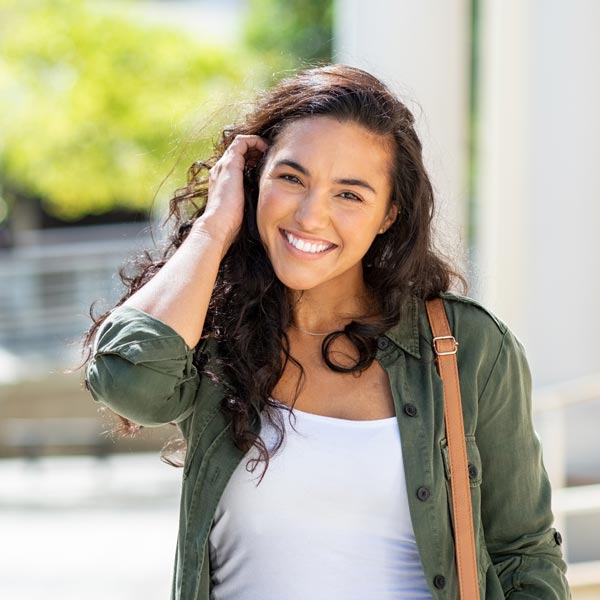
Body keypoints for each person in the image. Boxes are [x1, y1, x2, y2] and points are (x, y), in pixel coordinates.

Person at [83, 65, 570, 599]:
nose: (311, 216)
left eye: (350, 195)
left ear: (389, 215)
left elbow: (524, 555)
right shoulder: (213, 332)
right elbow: (128, 384)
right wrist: (214, 226)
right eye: (291, 178)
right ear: (254, 179)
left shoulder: (467, 347)